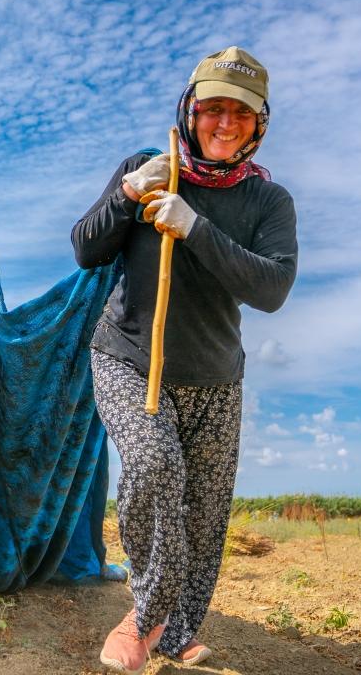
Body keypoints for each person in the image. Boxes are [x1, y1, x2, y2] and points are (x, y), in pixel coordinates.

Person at [71, 46, 297, 673]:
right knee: (152, 467)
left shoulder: (268, 203)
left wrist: (195, 226)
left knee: (202, 513)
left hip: (217, 377)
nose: (225, 124)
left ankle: (175, 630)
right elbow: (85, 250)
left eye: (241, 115)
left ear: (259, 124)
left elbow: (272, 289)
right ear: (189, 110)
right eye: (212, 109)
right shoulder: (148, 166)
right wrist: (126, 195)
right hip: (129, 359)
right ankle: (141, 618)